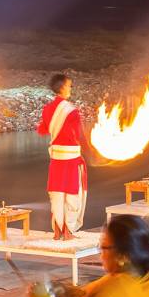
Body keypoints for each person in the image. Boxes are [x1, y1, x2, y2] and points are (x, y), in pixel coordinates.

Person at [37, 74, 88, 240]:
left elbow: (43, 130)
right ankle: (68, 232)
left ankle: (58, 231)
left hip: (56, 159)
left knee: (57, 193)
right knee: (72, 194)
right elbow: (79, 135)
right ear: (62, 87)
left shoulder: (47, 109)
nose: (70, 89)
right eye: (69, 86)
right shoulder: (71, 111)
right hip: (71, 158)